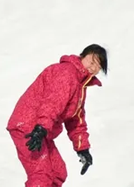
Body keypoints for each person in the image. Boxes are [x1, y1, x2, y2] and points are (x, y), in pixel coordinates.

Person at [6, 44, 108, 187]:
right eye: (91, 61)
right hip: (30, 126)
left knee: (57, 172)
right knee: (41, 173)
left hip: (41, 129)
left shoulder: (80, 86)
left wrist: (82, 148)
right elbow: (52, 103)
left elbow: (76, 120)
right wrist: (41, 128)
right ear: (82, 57)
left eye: (98, 66)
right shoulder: (67, 73)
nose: (93, 67)